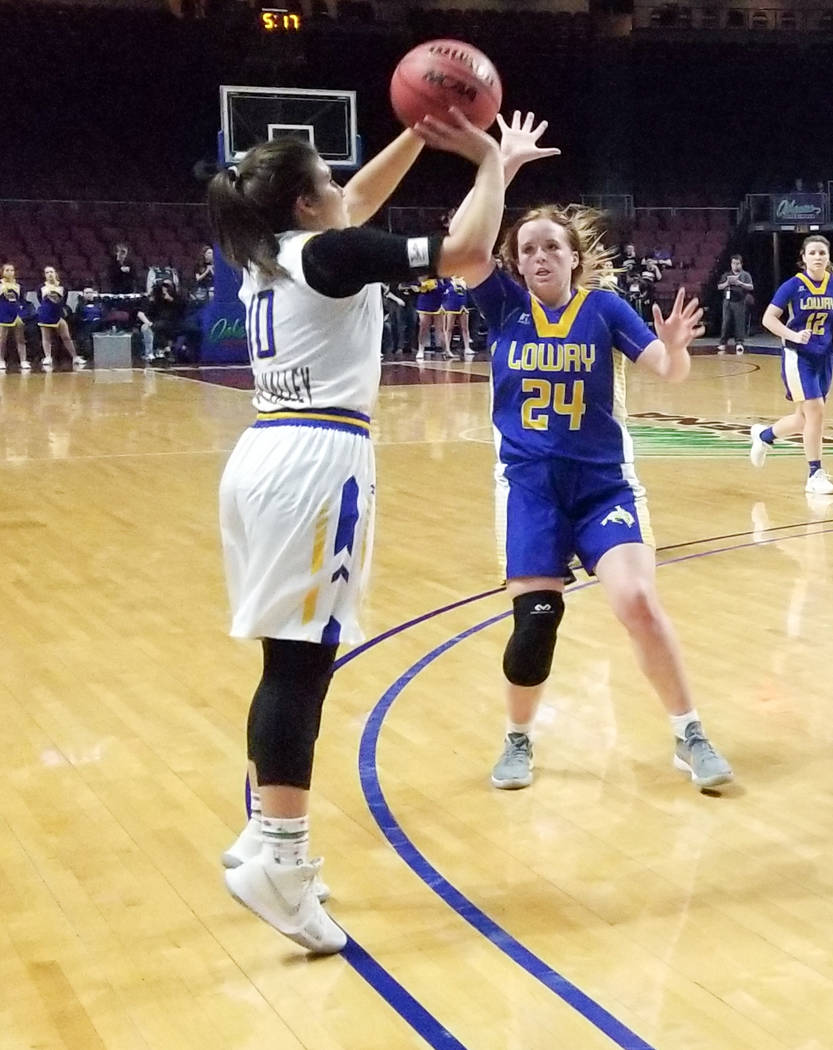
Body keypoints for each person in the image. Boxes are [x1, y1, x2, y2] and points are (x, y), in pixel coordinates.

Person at [207, 108, 555, 956]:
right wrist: (486, 163)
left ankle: (262, 835)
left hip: (261, 454)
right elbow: (470, 257)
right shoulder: (326, 253)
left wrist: (416, 131)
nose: (342, 187)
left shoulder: (271, 252)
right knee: (302, 666)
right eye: (325, 180)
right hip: (316, 464)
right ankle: (282, 866)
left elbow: (355, 196)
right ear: (302, 204)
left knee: (284, 659)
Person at [461, 191, 733, 794]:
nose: (539, 257)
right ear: (514, 262)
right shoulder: (503, 305)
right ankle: (517, 737)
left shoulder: (604, 309)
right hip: (529, 490)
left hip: (603, 486)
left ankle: (689, 733)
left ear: (574, 258)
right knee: (535, 625)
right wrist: (497, 171)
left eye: (551, 247)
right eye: (527, 249)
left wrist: (680, 350)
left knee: (635, 600)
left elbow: (668, 369)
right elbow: (462, 241)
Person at [750, 235, 833, 495]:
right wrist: (793, 335)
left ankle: (765, 437)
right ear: (804, 257)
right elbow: (768, 319)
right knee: (816, 411)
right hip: (799, 356)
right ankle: (814, 473)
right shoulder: (793, 286)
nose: (818, 257)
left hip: (824, 356)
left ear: (828, 257)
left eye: (822, 252)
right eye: (813, 253)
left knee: (804, 418)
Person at [36, 266, 85, 369]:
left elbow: (63, 302)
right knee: (46, 337)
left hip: (58, 314)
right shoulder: (41, 287)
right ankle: (48, 357)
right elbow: (40, 300)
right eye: (47, 272)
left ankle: (75, 357)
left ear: (55, 273)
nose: (49, 274)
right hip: (45, 314)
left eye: (51, 272)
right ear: (44, 275)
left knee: (66, 337)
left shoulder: (63, 287)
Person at [716, 254, 754, 354]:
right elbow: (719, 286)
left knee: (739, 322)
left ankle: (739, 343)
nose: (735, 266)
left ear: (741, 264)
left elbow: (751, 286)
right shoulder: (726, 274)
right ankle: (723, 342)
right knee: (726, 322)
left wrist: (740, 284)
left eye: (737, 264)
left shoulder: (745, 275)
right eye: (733, 263)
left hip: (740, 301)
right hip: (728, 301)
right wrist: (727, 283)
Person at [0, 262, 30, 370]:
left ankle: (23, 360)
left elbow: (22, 301)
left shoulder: (18, 286)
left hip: (16, 314)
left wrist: (22, 313)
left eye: (11, 270)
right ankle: (1, 360)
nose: (9, 272)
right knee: (2, 339)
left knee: (20, 338)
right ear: (2, 272)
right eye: (7, 270)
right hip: (3, 314)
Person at [442, 275, 472, 356]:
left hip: (462, 305)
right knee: (449, 328)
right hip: (450, 306)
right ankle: (447, 349)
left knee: (465, 328)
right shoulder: (447, 280)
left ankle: (467, 348)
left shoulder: (464, 280)